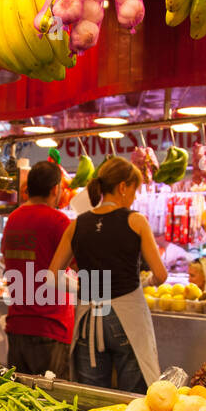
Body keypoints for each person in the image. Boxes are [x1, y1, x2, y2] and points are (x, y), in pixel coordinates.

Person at [49, 157, 166, 392]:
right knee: (133, 401)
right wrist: (144, 283)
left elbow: (52, 276)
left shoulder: (77, 224)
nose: (135, 197)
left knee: (90, 401)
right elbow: (161, 275)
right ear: (123, 187)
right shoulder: (136, 221)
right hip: (128, 319)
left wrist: (82, 290)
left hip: (88, 320)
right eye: (135, 190)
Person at [0, 160, 74, 376]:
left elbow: (8, 259)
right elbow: (79, 264)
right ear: (55, 189)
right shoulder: (58, 221)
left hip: (17, 327)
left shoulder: (13, 218)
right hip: (51, 327)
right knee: (52, 403)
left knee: (20, 401)